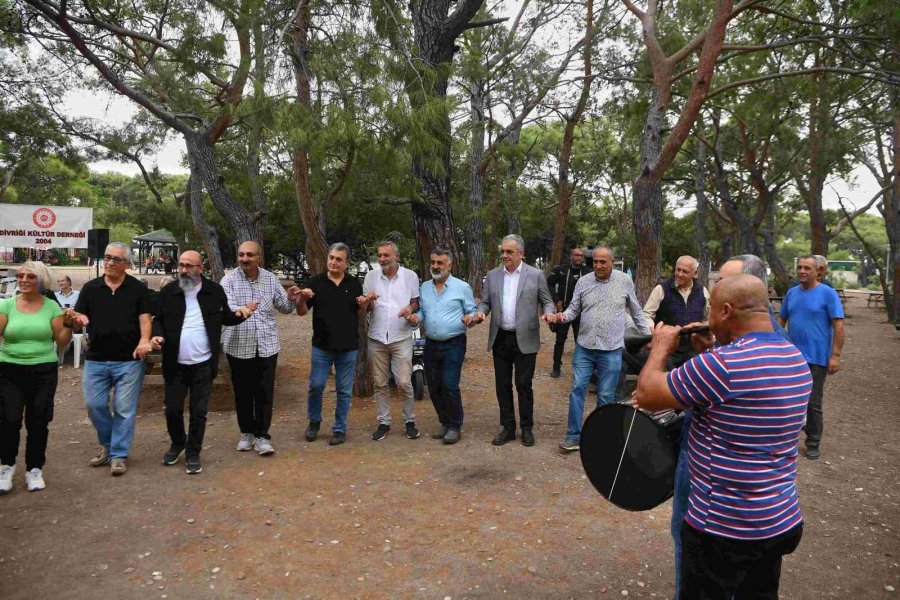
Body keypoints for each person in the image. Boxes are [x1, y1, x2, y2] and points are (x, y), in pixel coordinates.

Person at [635, 274, 811, 599]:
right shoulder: (795, 359)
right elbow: (745, 394)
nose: (708, 321)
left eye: (711, 312)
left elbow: (646, 394)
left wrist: (660, 348)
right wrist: (715, 348)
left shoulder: (721, 366)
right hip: (777, 519)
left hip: (721, 526)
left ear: (727, 311)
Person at [668, 253, 789, 599]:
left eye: (725, 281)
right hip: (728, 480)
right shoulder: (746, 337)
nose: (716, 288)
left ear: (752, 290)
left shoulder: (765, 346)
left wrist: (662, 352)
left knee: (704, 566)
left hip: (720, 495)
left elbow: (653, 394)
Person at [150, 251, 258, 474]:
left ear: (201, 268)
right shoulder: (169, 291)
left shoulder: (214, 291)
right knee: (172, 409)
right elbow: (157, 319)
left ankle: (193, 452)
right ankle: (178, 441)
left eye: (189, 266)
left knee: (199, 412)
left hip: (203, 364)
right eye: (181, 265)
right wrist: (156, 334)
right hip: (175, 363)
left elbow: (225, 317)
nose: (183, 270)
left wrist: (242, 314)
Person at [551, 245, 651, 452]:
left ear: (612, 262)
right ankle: (573, 436)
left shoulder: (624, 281)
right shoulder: (584, 282)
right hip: (584, 348)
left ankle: (600, 435)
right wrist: (560, 317)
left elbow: (636, 310)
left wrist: (649, 336)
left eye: (602, 262)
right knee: (577, 390)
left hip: (612, 349)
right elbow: (573, 310)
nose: (597, 265)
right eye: (595, 261)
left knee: (606, 395)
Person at [73, 242, 154, 476]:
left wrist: (144, 341)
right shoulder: (91, 288)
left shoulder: (138, 289)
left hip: (129, 360)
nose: (109, 262)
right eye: (107, 257)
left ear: (127, 264)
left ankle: (118, 454)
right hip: (96, 359)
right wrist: (76, 318)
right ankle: (108, 445)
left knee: (124, 409)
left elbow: (145, 320)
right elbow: (80, 315)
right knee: (95, 405)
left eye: (115, 259)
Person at [0, 261, 76, 493]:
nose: (23, 280)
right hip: (9, 369)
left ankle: (34, 469)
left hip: (43, 370)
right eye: (21, 276)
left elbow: (61, 342)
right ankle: (7, 467)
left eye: (30, 276)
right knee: (9, 419)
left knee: (38, 420)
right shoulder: (7, 305)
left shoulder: (51, 307)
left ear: (41, 281)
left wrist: (69, 324)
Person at [221, 241, 301, 456]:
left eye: (249, 255)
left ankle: (262, 436)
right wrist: (242, 310)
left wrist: (292, 299)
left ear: (259, 257)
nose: (244, 259)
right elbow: (226, 307)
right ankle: (247, 433)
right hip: (239, 344)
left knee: (265, 392)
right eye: (241, 255)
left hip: (267, 345)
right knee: (243, 392)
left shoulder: (270, 278)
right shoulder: (228, 280)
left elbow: (283, 307)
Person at [474, 234, 555, 447]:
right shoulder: (492, 276)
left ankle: (526, 428)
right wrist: (481, 312)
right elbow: (484, 302)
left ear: (521, 253)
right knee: (502, 385)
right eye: (503, 251)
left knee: (523, 384)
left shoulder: (536, 275)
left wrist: (548, 313)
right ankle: (508, 428)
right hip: (501, 337)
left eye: (509, 252)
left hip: (526, 338)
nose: (504, 255)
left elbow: (547, 301)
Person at [294, 243, 369, 446]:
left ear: (346, 263)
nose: (334, 262)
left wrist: (364, 305)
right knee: (316, 385)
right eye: (331, 258)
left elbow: (360, 313)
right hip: (322, 347)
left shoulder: (354, 284)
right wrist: (301, 299)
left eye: (339, 259)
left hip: (348, 348)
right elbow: (301, 312)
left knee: (344, 391)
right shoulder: (316, 283)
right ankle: (314, 422)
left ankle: (339, 429)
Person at [406, 248, 477, 445]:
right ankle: (444, 422)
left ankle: (455, 425)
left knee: (449, 384)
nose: (435, 266)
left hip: (454, 343)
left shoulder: (462, 287)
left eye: (440, 263)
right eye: (433, 262)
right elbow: (423, 313)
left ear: (450, 265)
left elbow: (472, 312)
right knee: (435, 386)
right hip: (430, 343)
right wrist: (415, 318)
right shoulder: (425, 287)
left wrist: (469, 319)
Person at [778, 255, 844, 460]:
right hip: (791, 357)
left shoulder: (828, 294)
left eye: (807, 268)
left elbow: (839, 325)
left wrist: (835, 355)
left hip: (817, 358)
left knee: (813, 403)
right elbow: (781, 320)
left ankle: (813, 442)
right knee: (785, 401)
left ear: (818, 272)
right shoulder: (791, 293)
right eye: (799, 267)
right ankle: (785, 441)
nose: (802, 271)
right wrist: (775, 346)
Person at [362, 241, 421, 442]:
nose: (381, 259)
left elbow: (415, 302)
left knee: (404, 382)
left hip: (401, 336)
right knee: (379, 383)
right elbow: (367, 308)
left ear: (396, 256)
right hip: (377, 337)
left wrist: (410, 310)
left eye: (386, 255)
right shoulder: (370, 277)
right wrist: (367, 301)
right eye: (379, 255)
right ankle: (384, 422)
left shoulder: (410, 276)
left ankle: (409, 421)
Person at [642, 255, 710, 369]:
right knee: (665, 384)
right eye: (678, 270)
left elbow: (708, 318)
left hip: (692, 351)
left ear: (695, 273)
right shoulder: (661, 289)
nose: (679, 274)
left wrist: (701, 329)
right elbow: (646, 314)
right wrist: (653, 333)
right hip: (668, 351)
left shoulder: (703, 291)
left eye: (685, 271)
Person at [546, 246, 591, 378]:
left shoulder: (588, 272)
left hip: (581, 312)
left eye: (581, 256)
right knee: (560, 339)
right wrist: (556, 300)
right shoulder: (561, 270)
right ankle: (556, 367)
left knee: (581, 341)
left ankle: (581, 369)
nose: (579, 258)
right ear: (571, 256)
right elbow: (549, 284)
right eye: (576, 255)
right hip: (564, 310)